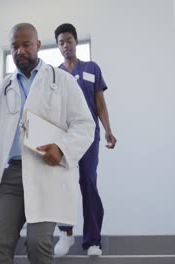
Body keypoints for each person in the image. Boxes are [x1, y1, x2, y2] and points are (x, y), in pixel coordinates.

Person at [0, 23, 95, 264]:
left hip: (46, 171)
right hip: (11, 177)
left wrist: (62, 148)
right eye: (14, 46)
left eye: (26, 44)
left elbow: (85, 125)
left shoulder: (64, 82)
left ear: (37, 45)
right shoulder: (0, 90)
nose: (20, 51)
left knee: (38, 244)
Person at [53, 23, 117, 257]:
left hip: (89, 136)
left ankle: (93, 241)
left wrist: (108, 129)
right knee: (63, 182)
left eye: (69, 40)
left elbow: (99, 102)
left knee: (88, 182)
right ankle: (66, 233)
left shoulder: (92, 68)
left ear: (75, 42)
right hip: (65, 138)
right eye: (61, 42)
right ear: (58, 47)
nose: (65, 45)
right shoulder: (57, 74)